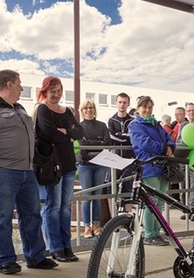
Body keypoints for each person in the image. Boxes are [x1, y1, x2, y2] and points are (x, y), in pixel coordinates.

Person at [0, 70, 58, 274]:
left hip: (27, 170)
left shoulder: (19, 108)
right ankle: (6, 260)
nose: (22, 88)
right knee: (2, 216)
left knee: (32, 215)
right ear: (9, 84)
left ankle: (36, 256)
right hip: (2, 170)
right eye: (19, 84)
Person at [34, 76, 84, 263]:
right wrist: (67, 134)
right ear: (45, 92)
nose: (56, 95)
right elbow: (48, 133)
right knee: (52, 207)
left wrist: (66, 133)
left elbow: (79, 132)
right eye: (52, 91)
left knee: (65, 207)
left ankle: (66, 246)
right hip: (51, 165)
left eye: (58, 91)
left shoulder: (66, 111)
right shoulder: (42, 109)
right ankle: (54, 247)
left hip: (69, 165)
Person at [128, 96, 175, 246]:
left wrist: (170, 147)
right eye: (144, 107)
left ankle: (156, 233)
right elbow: (144, 143)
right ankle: (149, 234)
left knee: (159, 203)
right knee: (151, 202)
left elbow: (169, 138)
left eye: (150, 107)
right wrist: (164, 148)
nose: (147, 110)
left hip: (161, 166)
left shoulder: (155, 124)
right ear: (138, 109)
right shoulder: (134, 125)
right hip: (149, 166)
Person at [77, 98, 111, 238]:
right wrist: (98, 142)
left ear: (94, 110)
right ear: (82, 111)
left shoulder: (102, 125)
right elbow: (81, 144)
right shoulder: (79, 127)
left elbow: (107, 143)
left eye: (91, 108)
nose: (89, 110)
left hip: (100, 164)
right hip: (85, 165)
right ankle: (86, 226)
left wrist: (90, 143)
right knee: (86, 197)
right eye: (86, 108)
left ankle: (95, 224)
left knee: (96, 197)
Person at [108, 92, 135, 212]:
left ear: (128, 104)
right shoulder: (111, 120)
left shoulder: (133, 121)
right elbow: (111, 137)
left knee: (128, 187)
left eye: (124, 102)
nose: (122, 105)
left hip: (129, 159)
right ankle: (113, 216)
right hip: (115, 158)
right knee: (111, 186)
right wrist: (125, 136)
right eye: (120, 102)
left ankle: (127, 216)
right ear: (116, 103)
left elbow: (133, 137)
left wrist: (120, 135)